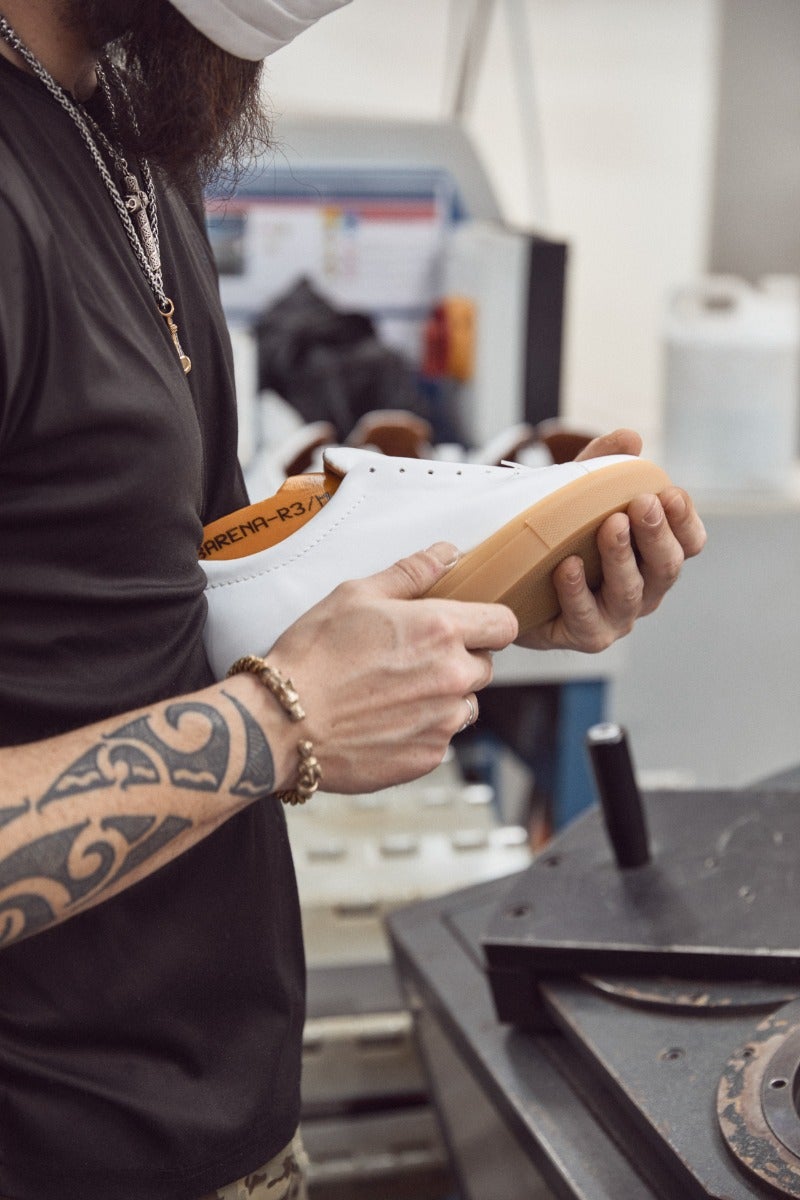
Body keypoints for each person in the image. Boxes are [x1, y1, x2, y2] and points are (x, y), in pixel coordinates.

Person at [0, 1, 707, 1197]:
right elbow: (258, 705)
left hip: (224, 1115)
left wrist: (468, 581)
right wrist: (279, 721)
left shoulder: (119, 133)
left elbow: (145, 601)